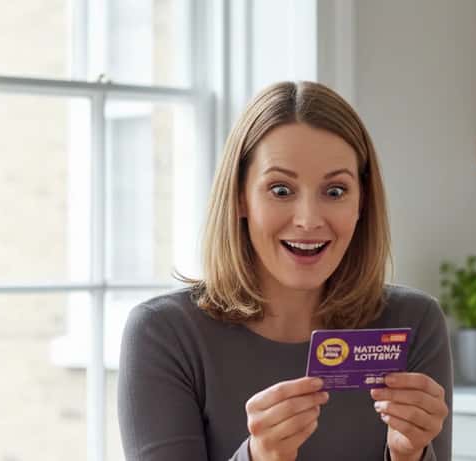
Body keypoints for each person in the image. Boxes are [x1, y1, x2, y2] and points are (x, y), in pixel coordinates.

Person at [117, 81, 453, 461]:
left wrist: (410, 456)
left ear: (362, 201)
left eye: (336, 191)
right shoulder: (165, 333)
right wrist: (257, 457)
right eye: (280, 190)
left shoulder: (414, 322)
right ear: (240, 197)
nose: (308, 220)